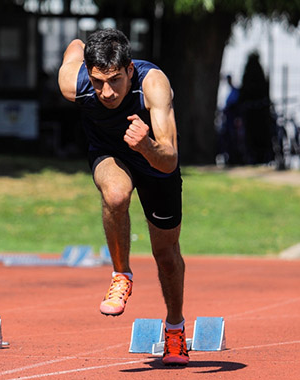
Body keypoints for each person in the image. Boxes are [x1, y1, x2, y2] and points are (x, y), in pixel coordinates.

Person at [58, 29, 189, 366]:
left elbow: (169, 157)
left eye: (115, 80)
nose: (107, 92)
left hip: (154, 158)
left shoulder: (153, 85)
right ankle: (121, 275)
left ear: (130, 70)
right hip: (109, 153)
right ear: (89, 73)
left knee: (166, 255)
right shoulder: (74, 83)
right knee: (115, 196)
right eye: (99, 81)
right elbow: (74, 48)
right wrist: (80, 45)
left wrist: (146, 144)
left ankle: (175, 329)